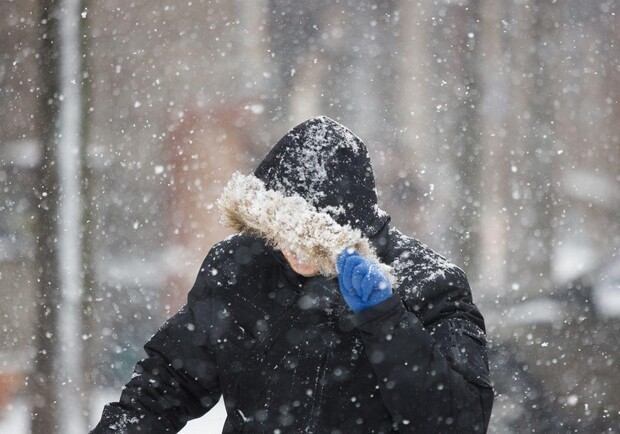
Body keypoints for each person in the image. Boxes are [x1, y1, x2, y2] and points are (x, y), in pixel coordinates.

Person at [91, 116, 493, 433]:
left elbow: (458, 422)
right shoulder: (240, 269)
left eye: (314, 239)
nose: (295, 250)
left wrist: (386, 319)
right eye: (282, 231)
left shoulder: (431, 284)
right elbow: (168, 383)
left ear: (351, 230)